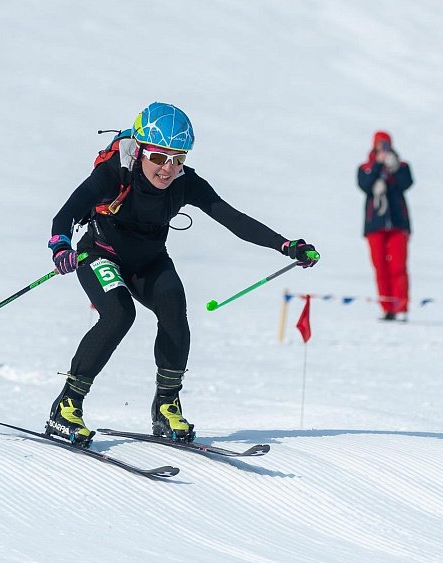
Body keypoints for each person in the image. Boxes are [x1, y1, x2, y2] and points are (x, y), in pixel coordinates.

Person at [46, 102, 319, 446]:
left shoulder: (185, 183)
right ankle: (67, 406)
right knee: (118, 315)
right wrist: (60, 247)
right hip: (101, 254)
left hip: (149, 260)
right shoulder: (113, 173)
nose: (168, 169)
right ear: (141, 151)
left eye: (178, 159)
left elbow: (233, 219)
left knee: (174, 308)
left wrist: (285, 245)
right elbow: (65, 215)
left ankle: (166, 405)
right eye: (159, 158)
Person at [356, 130, 413, 321]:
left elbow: (407, 183)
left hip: (398, 225)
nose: (383, 147)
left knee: (398, 267)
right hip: (375, 225)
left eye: (386, 143)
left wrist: (393, 168)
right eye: (380, 144)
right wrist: (378, 165)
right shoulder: (365, 167)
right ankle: (387, 307)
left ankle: (402, 306)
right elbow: (364, 185)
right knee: (380, 267)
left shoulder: (401, 166)